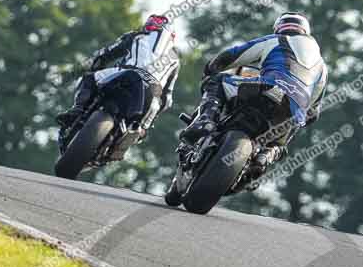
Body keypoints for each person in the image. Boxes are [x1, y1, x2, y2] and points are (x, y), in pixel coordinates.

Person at [181, 12, 327, 170]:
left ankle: (206, 120)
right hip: (294, 110)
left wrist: (211, 68)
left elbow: (234, 55)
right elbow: (313, 112)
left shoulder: (277, 40)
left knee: (217, 81)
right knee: (284, 135)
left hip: (268, 87)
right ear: (305, 30)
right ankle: (269, 154)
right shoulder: (323, 68)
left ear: (279, 27)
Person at [56, 14, 180, 127]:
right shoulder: (175, 60)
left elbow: (106, 53)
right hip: (153, 94)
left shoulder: (137, 36)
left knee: (89, 78)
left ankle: (77, 110)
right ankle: (137, 131)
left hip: (128, 74)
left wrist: (94, 65)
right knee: (141, 129)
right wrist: (152, 118)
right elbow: (167, 99)